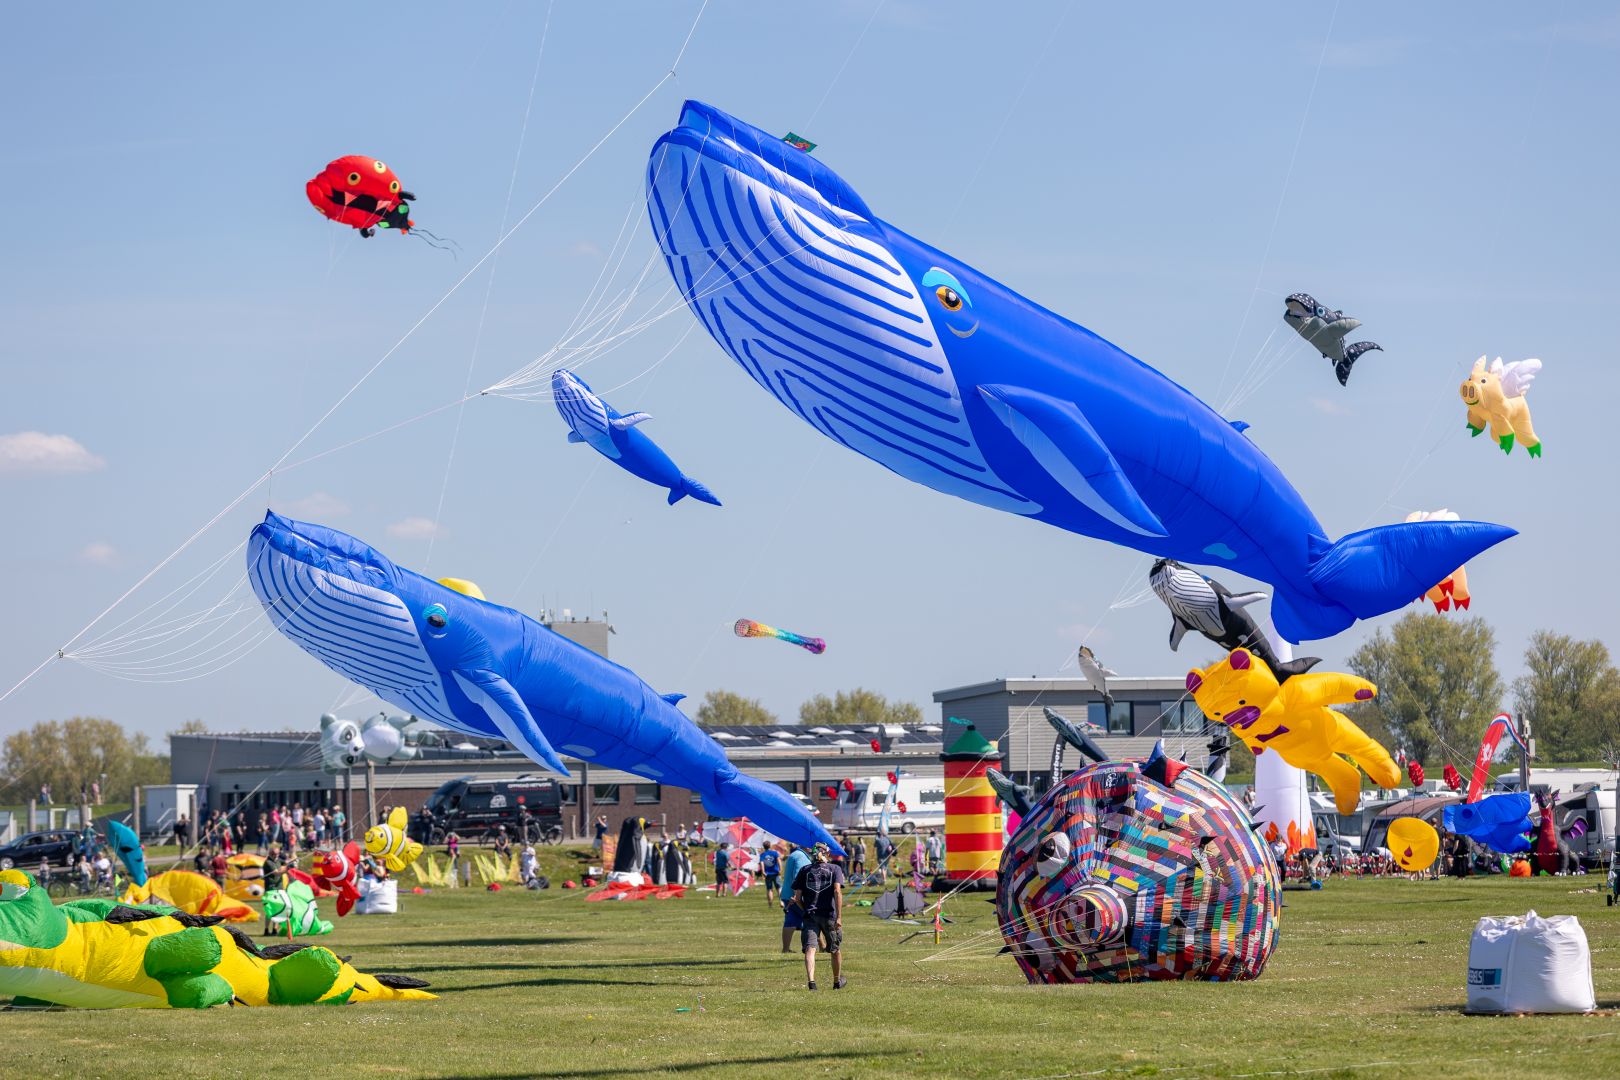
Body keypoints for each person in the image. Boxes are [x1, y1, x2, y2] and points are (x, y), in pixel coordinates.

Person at [789, 842, 845, 990]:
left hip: (810, 915)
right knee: (835, 949)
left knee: (810, 949)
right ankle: (836, 981)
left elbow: (797, 897)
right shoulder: (835, 869)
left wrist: (805, 909)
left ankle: (812, 983)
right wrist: (839, 917)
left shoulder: (804, 870)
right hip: (829, 915)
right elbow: (837, 892)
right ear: (827, 854)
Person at [779, 842, 810, 953]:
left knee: (790, 922)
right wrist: (798, 896)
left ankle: (786, 949)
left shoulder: (795, 854)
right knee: (811, 919)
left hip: (788, 894)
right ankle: (820, 946)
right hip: (795, 896)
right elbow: (797, 878)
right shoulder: (801, 857)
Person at [758, 841, 782, 905]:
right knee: (779, 888)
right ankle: (781, 902)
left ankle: (770, 903)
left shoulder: (762, 854)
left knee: (769, 889)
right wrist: (780, 869)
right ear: (770, 846)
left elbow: (762, 863)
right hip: (776, 873)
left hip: (768, 874)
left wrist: (763, 872)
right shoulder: (775, 853)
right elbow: (779, 861)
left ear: (764, 847)